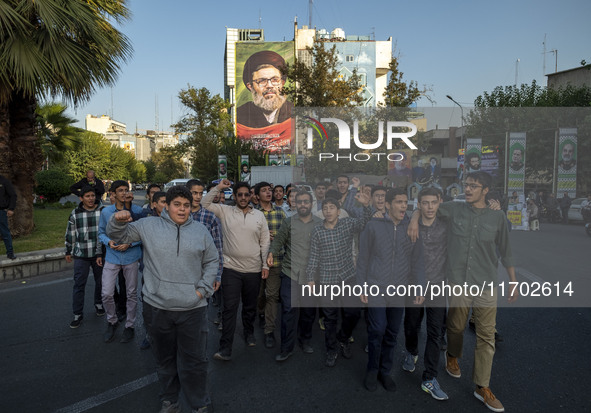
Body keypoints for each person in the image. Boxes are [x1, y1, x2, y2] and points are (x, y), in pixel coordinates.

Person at [409, 171, 518, 413]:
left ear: (486, 190)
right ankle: (452, 355)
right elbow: (429, 205)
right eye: (466, 185)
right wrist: (414, 218)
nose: (466, 189)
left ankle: (482, 387)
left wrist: (512, 280)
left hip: (486, 283)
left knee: (486, 335)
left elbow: (506, 250)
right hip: (458, 282)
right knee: (456, 327)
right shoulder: (454, 209)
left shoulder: (497, 216)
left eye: (473, 186)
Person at [106, 185, 218, 413]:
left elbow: (212, 262)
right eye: (177, 204)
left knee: (195, 362)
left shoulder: (201, 231)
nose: (182, 209)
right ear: (166, 205)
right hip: (157, 308)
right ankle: (170, 401)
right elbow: (119, 235)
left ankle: (199, 403)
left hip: (193, 310)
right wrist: (118, 221)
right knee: (164, 361)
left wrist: (202, 291)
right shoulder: (148, 226)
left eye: (186, 205)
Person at [357, 188, 425, 393]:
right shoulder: (373, 226)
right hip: (376, 285)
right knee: (377, 329)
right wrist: (361, 285)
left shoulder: (412, 228)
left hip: (400, 289)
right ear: (387, 204)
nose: (403, 206)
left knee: (392, 333)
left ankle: (385, 371)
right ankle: (372, 369)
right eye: (398, 202)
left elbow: (418, 261)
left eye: (405, 202)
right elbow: (363, 257)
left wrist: (420, 287)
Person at [202, 180, 270, 360]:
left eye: (246, 194)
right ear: (234, 196)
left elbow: (265, 241)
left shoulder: (259, 216)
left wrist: (264, 265)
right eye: (239, 194)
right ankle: (225, 349)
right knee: (229, 309)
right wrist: (218, 188)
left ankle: (249, 333)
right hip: (230, 269)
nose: (243, 197)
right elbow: (204, 204)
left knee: (249, 307)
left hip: (253, 270)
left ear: (251, 196)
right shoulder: (225, 211)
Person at [306, 192, 372, 367]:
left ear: (338, 210)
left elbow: (365, 222)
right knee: (330, 317)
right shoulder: (317, 231)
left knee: (353, 312)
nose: (328, 211)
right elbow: (314, 256)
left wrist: (366, 205)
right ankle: (331, 349)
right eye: (325, 208)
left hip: (348, 276)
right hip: (327, 280)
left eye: (332, 208)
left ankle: (343, 338)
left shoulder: (348, 224)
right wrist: (311, 278)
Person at [400, 187, 448, 400]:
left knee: (435, 332)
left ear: (440, 202)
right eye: (425, 203)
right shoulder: (409, 226)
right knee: (411, 326)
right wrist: (413, 218)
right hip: (412, 285)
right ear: (418, 204)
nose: (429, 207)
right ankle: (411, 351)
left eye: (433, 202)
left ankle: (430, 377)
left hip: (438, 285)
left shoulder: (447, 225)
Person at [267, 190, 322, 361]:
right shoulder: (289, 222)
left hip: (312, 277)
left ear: (311, 204)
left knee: (308, 312)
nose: (303, 205)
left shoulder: (320, 223)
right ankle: (286, 347)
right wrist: (271, 253)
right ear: (295, 204)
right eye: (300, 202)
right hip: (290, 273)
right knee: (288, 311)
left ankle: (305, 340)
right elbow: (279, 241)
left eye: (306, 202)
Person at [98, 180, 144, 344]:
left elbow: (144, 234)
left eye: (126, 190)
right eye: (120, 190)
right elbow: (101, 233)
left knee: (131, 293)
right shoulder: (106, 212)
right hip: (112, 256)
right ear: (113, 194)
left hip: (131, 256)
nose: (124, 193)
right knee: (106, 293)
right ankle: (112, 320)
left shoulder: (137, 211)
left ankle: (130, 325)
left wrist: (131, 243)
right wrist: (108, 242)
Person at [236, 50, 293, 150]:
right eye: (262, 81)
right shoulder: (239, 116)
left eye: (275, 80)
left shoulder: (295, 113)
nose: (269, 86)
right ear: (250, 86)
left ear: (282, 83)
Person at [65, 186, 105, 328]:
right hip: (81, 255)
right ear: (81, 198)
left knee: (100, 282)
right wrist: (68, 250)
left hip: (99, 255)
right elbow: (70, 233)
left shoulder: (103, 211)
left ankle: (99, 304)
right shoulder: (75, 214)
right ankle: (77, 314)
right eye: (87, 196)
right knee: (79, 284)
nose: (90, 198)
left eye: (92, 195)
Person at [254, 182, 286, 348]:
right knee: (260, 295)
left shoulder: (280, 213)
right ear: (257, 196)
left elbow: (288, 235)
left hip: (276, 260)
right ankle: (260, 313)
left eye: (270, 190)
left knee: (272, 295)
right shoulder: (253, 214)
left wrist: (278, 238)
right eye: (264, 190)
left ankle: (269, 331)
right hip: (256, 262)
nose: (268, 192)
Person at [0, 174, 17, 259]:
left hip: (1, 212)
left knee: (5, 233)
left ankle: (10, 253)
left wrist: (11, 208)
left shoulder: (4, 181)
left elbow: (13, 195)